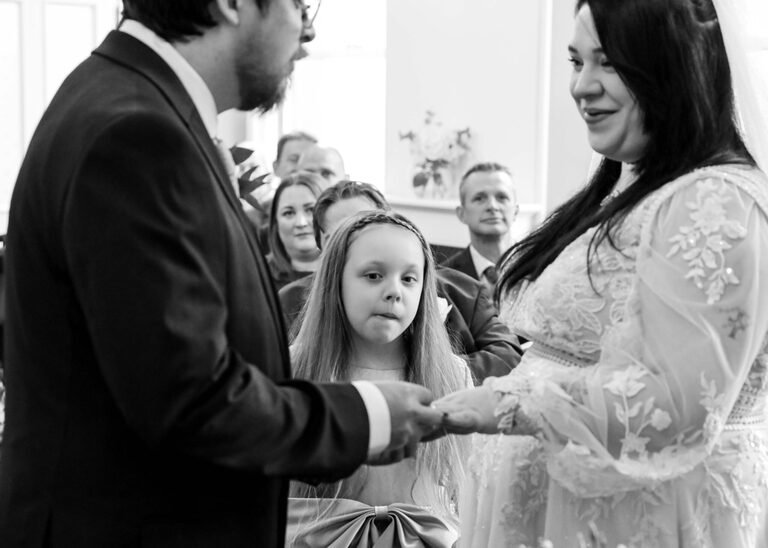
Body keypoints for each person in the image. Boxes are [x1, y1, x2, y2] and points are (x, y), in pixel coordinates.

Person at [0, 2, 446, 547]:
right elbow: (189, 398)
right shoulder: (136, 132)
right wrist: (368, 414)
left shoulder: (129, 102)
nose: (306, 33)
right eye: (299, 5)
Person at [434, 0, 768, 546]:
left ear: (677, 63)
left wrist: (503, 403)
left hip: (646, 519)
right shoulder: (638, 187)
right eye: (575, 61)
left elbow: (676, 406)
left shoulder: (716, 202)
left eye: (608, 62)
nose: (580, 86)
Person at [286, 210, 472, 547]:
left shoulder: (451, 374)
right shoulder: (295, 367)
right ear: (335, 281)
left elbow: (467, 487)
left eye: (409, 279)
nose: (393, 292)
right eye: (373, 276)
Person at [279, 180, 522, 382]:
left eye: (366, 222)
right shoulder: (293, 352)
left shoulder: (459, 289)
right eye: (341, 234)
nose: (394, 291)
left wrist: (431, 365)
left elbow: (507, 353)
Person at [441, 162, 518, 287]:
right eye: (479, 198)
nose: (492, 206)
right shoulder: (443, 279)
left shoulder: (541, 267)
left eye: (501, 197)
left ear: (515, 211)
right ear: (461, 214)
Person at [266, 171, 323, 290]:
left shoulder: (349, 272)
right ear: (275, 223)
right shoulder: (258, 275)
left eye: (310, 210)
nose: (301, 223)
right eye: (289, 213)